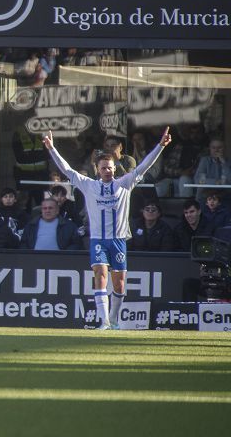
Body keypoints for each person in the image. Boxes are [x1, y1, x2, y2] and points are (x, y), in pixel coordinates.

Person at [43, 126, 171, 330]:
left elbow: (144, 167)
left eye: (110, 167)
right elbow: (67, 169)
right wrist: (51, 148)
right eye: (103, 168)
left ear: (115, 168)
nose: (107, 171)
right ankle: (103, 322)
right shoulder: (89, 185)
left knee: (119, 284)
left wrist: (160, 146)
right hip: (98, 240)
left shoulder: (124, 184)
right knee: (100, 276)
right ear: (97, 169)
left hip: (119, 240)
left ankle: (114, 319)